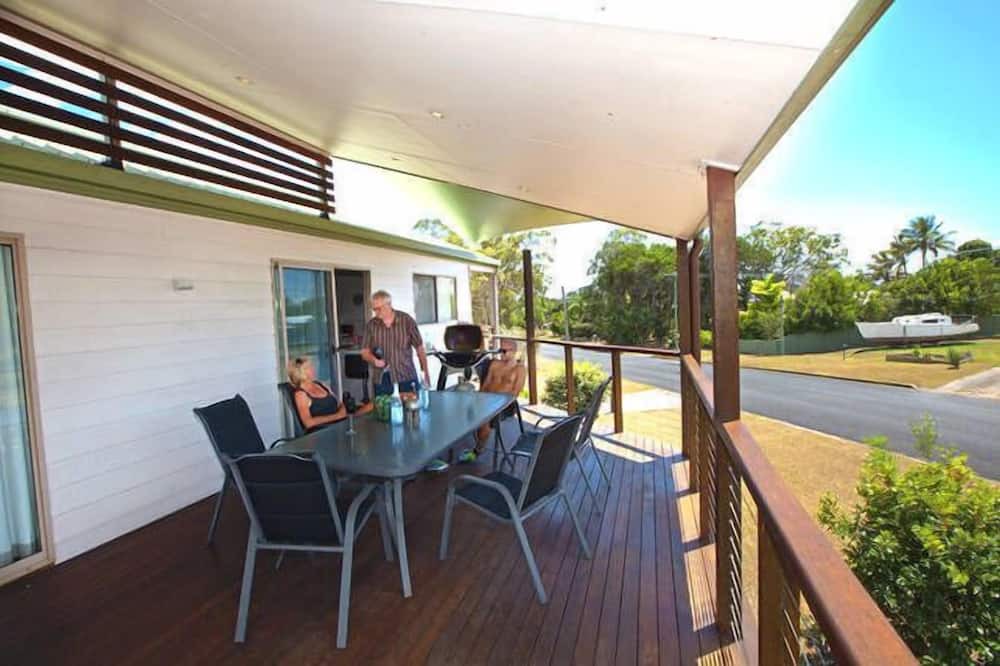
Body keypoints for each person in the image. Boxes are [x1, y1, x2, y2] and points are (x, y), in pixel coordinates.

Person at [360, 289, 447, 471]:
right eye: (373, 309)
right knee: (383, 418)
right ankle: (387, 460)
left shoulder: (406, 320)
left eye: (378, 309)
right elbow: (364, 351)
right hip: (382, 377)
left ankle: (420, 458)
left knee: (414, 416)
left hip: (406, 375)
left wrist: (425, 372)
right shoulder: (372, 325)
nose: (375, 313)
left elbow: (419, 347)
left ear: (388, 305)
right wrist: (374, 360)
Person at [459, 337, 527, 463]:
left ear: (514, 351)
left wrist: (497, 403)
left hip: (503, 404)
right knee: (461, 407)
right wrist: (479, 397)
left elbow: (515, 392)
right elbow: (486, 384)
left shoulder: (519, 370)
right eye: (500, 350)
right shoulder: (495, 364)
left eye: (504, 351)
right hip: (486, 399)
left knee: (484, 420)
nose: (501, 353)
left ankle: (477, 451)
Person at [287, 356, 370, 432]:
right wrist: (337, 416)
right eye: (309, 367)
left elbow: (339, 404)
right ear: (301, 373)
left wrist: (343, 409)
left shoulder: (321, 385)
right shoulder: (300, 394)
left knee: (371, 407)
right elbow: (308, 423)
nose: (313, 368)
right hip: (323, 431)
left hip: (340, 424)